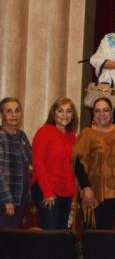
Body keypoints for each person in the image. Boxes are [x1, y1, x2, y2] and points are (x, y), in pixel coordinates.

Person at [73, 98, 115, 229]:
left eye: (106, 110)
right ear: (93, 114)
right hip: (95, 192)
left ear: (112, 113)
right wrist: (86, 188)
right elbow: (77, 163)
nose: (101, 114)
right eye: (97, 111)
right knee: (96, 235)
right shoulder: (87, 133)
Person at [31, 98, 79, 229]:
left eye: (69, 111)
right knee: (50, 233)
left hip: (66, 191)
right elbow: (38, 163)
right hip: (47, 189)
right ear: (54, 113)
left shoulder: (72, 136)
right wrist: (47, 192)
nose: (65, 115)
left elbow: (71, 166)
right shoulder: (44, 132)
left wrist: (73, 192)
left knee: (62, 233)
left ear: (73, 115)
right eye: (60, 111)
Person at [0, 98, 32, 228]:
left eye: (17, 110)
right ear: (2, 115)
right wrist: (7, 200)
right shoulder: (1, 137)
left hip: (20, 197)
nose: (14, 115)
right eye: (9, 111)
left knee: (14, 238)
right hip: (5, 200)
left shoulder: (21, 135)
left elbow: (32, 159)